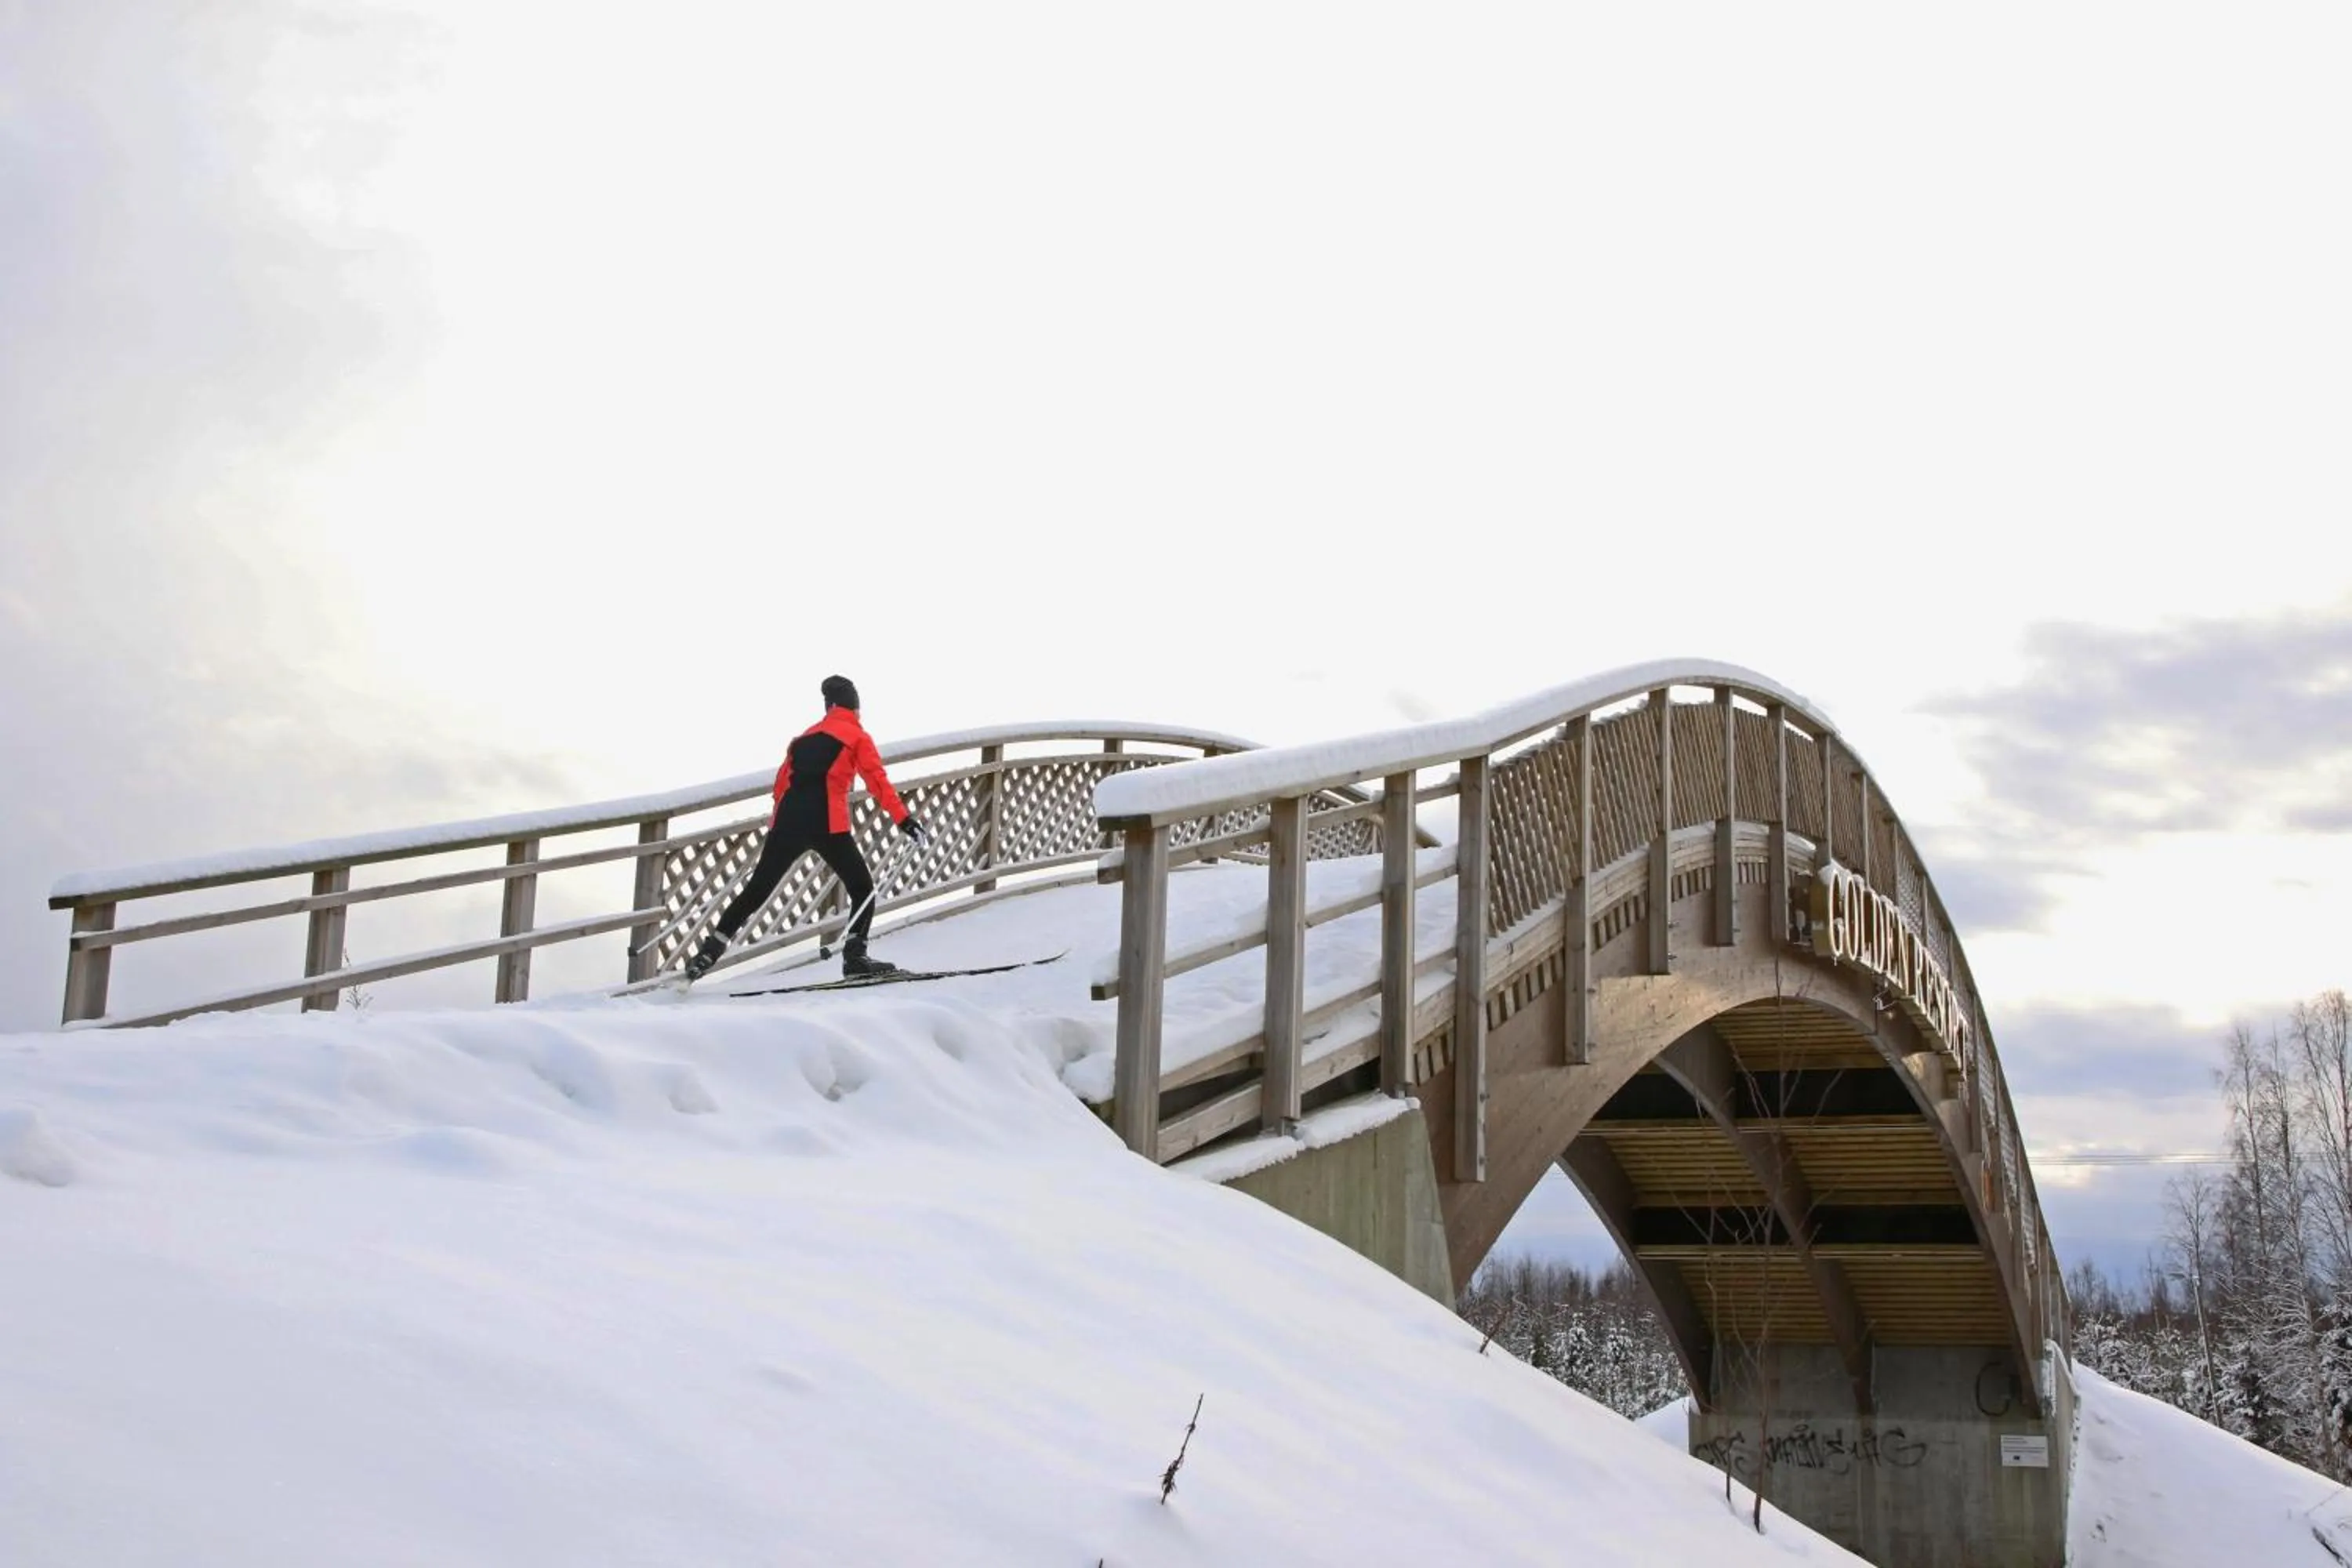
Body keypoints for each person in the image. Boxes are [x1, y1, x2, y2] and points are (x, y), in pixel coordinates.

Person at [684, 675, 927, 981]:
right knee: (862, 888)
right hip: (827, 824)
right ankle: (855, 958)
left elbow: (781, 786)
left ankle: (708, 952)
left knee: (756, 890)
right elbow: (877, 782)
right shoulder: (857, 737)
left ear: (829, 707)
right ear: (854, 708)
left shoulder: (802, 739)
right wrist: (904, 820)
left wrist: (779, 827)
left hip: (787, 823)